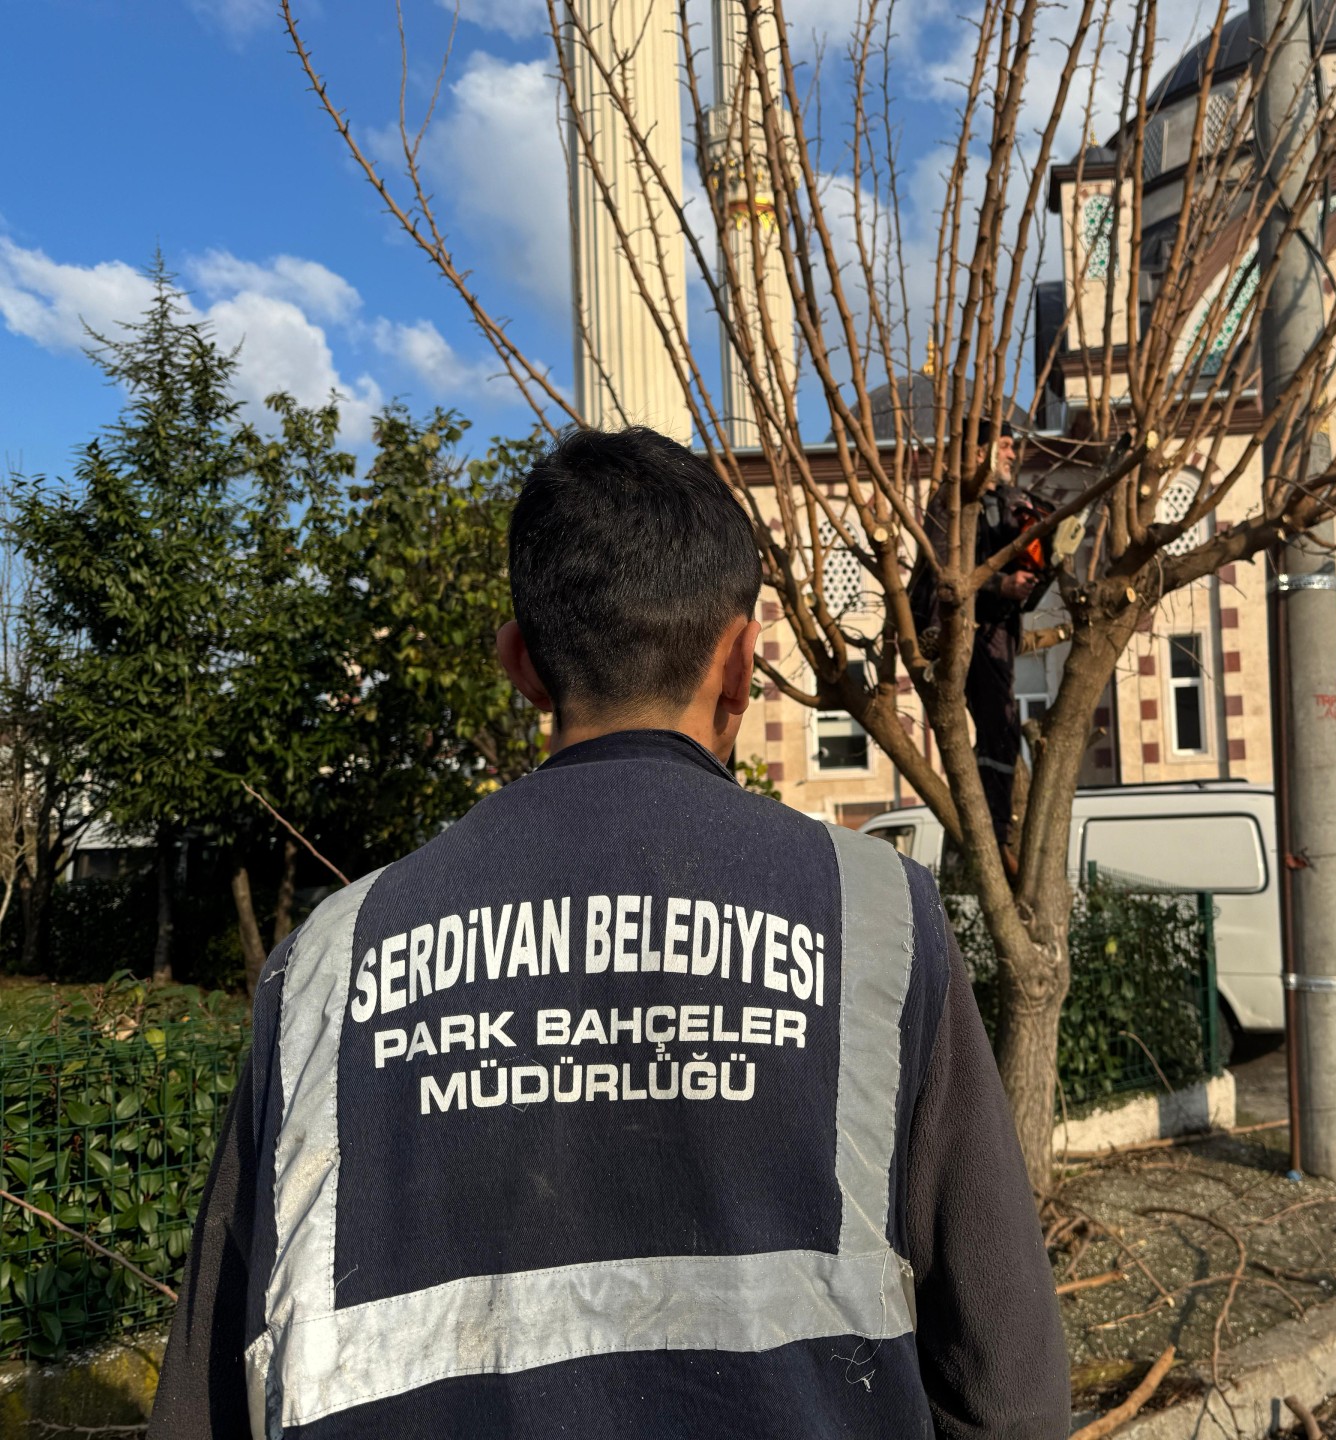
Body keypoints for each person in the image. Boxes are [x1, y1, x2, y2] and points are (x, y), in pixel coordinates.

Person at [148, 426, 1070, 1439]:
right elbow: (1007, 1395)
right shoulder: (878, 925)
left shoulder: (327, 962)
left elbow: (205, 1399)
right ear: (739, 663)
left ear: (522, 667)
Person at [914, 427, 1052, 864]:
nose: (1013, 453)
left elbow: (1031, 546)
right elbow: (947, 575)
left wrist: (1035, 569)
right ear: (979, 451)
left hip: (996, 629)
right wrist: (1000, 585)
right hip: (961, 631)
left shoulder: (1011, 501)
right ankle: (993, 836)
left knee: (1001, 729)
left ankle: (994, 831)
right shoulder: (952, 503)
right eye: (1005, 446)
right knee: (1000, 725)